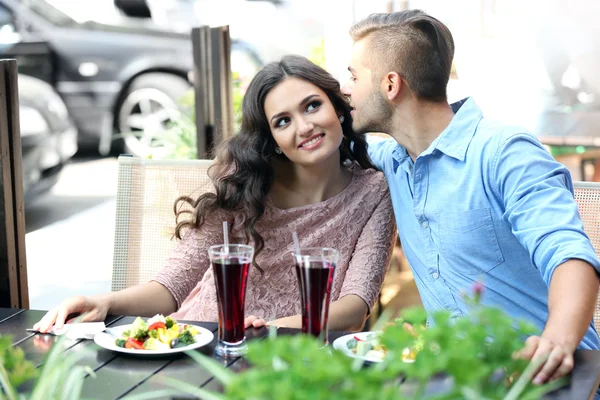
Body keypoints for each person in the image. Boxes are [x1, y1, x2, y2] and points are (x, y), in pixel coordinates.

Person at [34, 55, 396, 334]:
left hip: (295, 359)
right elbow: (170, 288)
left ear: (337, 107)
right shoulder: (244, 184)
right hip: (204, 343)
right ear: (272, 139)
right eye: (282, 121)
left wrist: (270, 331)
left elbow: (355, 305)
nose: (304, 127)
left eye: (312, 105)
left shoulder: (376, 191)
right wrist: (103, 302)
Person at [341, 9, 600, 388]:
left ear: (390, 84)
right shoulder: (392, 160)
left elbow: (569, 254)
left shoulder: (505, 152)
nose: (345, 89)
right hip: (456, 380)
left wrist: (556, 343)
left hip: (547, 380)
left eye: (352, 76)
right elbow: (326, 141)